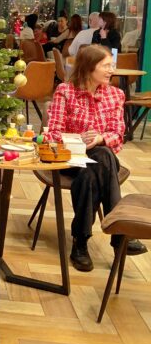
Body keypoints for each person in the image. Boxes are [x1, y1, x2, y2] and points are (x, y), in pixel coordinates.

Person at [46, 44, 146, 272]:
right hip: (70, 156)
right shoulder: (65, 91)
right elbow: (53, 132)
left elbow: (117, 134)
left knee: (100, 159)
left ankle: (80, 242)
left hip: (102, 155)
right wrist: (78, 140)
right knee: (94, 170)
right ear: (89, 67)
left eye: (112, 65)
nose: (112, 70)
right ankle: (119, 234)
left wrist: (100, 138)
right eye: (106, 65)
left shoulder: (115, 94)